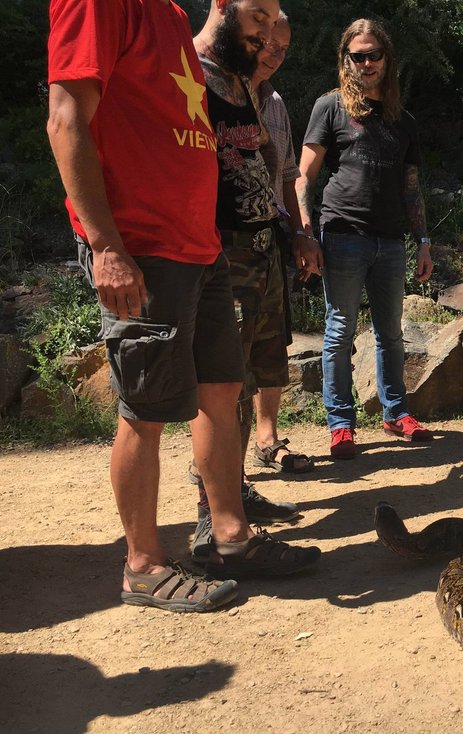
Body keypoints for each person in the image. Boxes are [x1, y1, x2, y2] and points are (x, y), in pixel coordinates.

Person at [47, 0, 319, 612]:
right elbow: (65, 119)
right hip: (143, 245)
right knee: (145, 409)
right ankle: (142, 564)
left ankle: (230, 539)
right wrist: (105, 245)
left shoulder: (170, 14)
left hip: (202, 246)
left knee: (221, 392)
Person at [187, 0, 322, 558]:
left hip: (262, 245)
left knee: (250, 376)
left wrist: (291, 229)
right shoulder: (195, 73)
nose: (270, 47)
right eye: (262, 29)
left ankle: (234, 491)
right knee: (222, 383)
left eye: (279, 42)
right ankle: (209, 514)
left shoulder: (253, 91)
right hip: (223, 250)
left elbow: (278, 166)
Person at [296, 18, 434, 460]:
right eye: (358, 55)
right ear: (346, 60)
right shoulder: (331, 107)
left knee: (391, 335)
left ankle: (395, 413)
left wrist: (424, 241)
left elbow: (412, 187)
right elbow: (303, 177)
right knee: (339, 334)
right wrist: (305, 233)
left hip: (391, 242)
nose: (368, 62)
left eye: (375, 54)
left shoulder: (403, 120)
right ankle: (340, 425)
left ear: (387, 59)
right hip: (341, 236)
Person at [249, 12, 322, 471]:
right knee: (225, 351)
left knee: (272, 342)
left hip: (272, 235)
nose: (275, 54)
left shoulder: (274, 101)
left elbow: (291, 175)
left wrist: (301, 233)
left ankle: (268, 438)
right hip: (224, 237)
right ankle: (218, 474)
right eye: (268, 43)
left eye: (284, 48)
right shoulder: (211, 90)